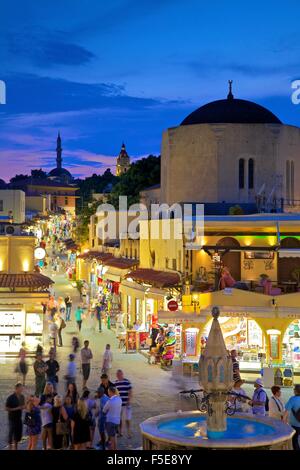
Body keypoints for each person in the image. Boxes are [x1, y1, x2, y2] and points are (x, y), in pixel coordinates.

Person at [5, 383, 25, 450]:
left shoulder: (22, 397)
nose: (22, 389)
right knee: (11, 432)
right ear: (16, 388)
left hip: (19, 418)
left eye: (22, 388)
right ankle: (10, 448)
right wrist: (16, 408)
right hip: (12, 418)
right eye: (21, 388)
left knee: (17, 434)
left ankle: (15, 448)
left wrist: (24, 406)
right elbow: (6, 408)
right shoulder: (10, 397)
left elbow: (23, 406)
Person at [114, 369, 133, 438]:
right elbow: (114, 394)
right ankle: (120, 432)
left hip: (127, 404)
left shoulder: (127, 382)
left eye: (119, 374)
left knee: (128, 419)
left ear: (122, 374)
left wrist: (129, 400)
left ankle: (129, 432)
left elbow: (130, 392)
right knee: (119, 419)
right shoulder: (115, 383)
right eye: (117, 375)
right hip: (119, 404)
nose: (118, 376)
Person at [103, 386, 122, 450]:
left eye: (108, 392)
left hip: (110, 421)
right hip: (117, 421)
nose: (108, 393)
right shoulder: (119, 399)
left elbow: (104, 410)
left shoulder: (110, 401)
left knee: (111, 439)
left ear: (111, 392)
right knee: (114, 437)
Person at [284, 383, 300, 450]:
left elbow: (287, 411)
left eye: (294, 389)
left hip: (295, 425)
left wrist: (283, 421)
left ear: (296, 391)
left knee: (295, 440)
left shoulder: (292, 399)